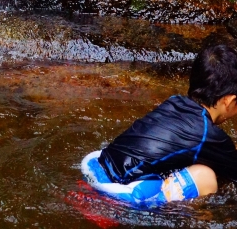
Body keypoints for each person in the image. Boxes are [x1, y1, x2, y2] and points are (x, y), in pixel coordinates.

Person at [81, 43, 237, 209]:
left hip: (95, 169)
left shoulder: (174, 101)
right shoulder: (208, 134)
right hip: (116, 199)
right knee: (205, 177)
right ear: (229, 101)